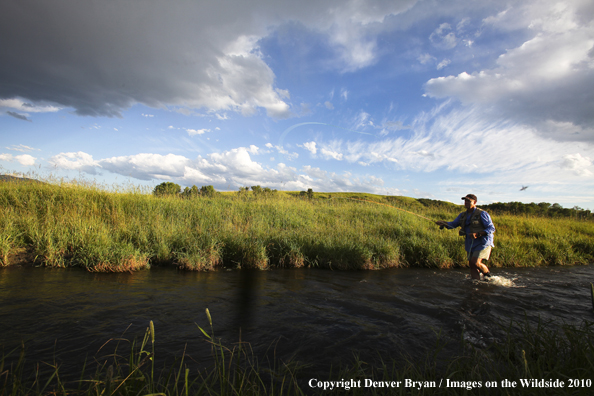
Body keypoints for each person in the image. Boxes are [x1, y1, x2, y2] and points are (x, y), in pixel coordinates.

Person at [436, 194, 496, 280]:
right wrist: (444, 223)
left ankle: (488, 276)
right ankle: (475, 282)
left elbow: (491, 228)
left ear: (474, 202)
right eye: (465, 201)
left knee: (475, 262)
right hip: (470, 243)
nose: (466, 203)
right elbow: (453, 224)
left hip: (483, 242)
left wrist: (478, 234)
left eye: (469, 201)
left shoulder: (482, 213)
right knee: (471, 265)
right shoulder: (462, 215)